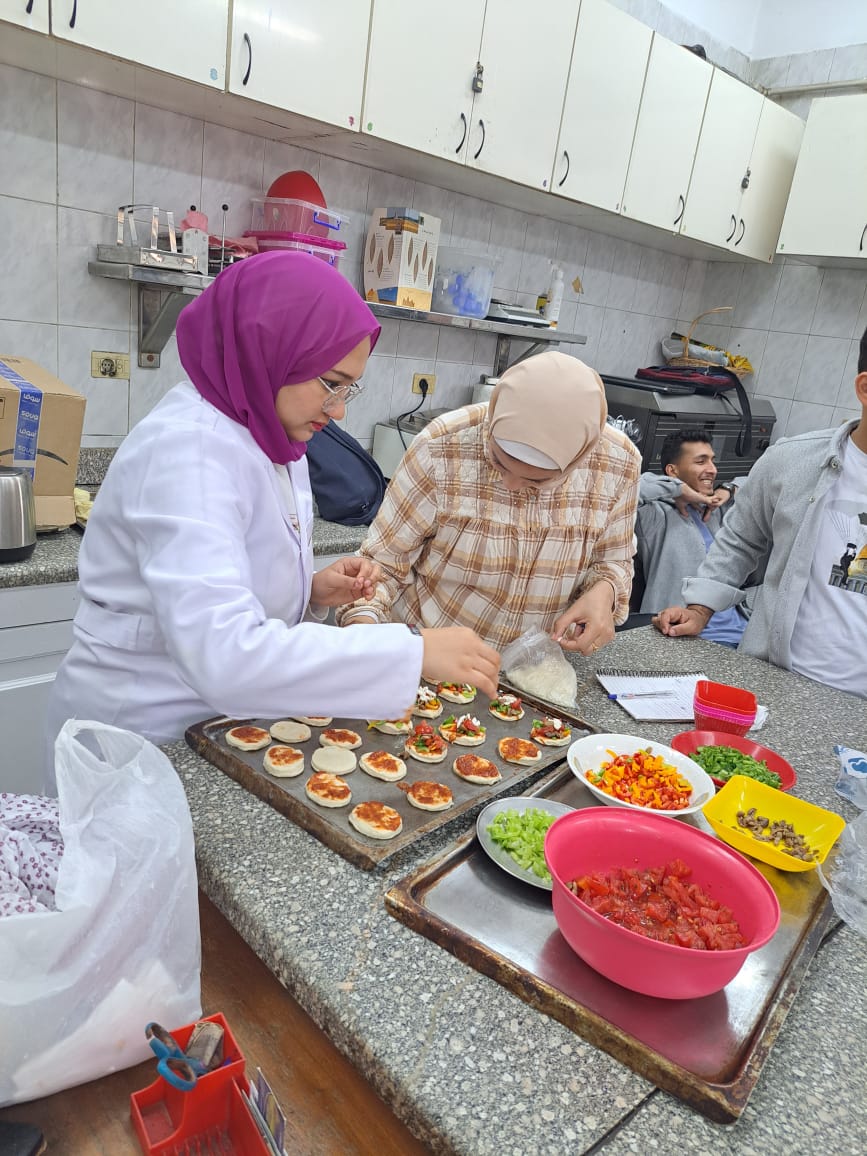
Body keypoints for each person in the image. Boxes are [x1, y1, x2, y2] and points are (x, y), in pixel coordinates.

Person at [44, 253, 499, 785]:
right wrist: (409, 654)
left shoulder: (269, 432)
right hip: (139, 739)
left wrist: (308, 589)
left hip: (213, 730)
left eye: (349, 388)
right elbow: (225, 655)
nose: (339, 410)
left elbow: (225, 577)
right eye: (331, 382)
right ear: (270, 347)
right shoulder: (187, 453)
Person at [335, 351, 641, 655]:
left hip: (538, 670)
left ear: (577, 460)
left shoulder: (618, 464)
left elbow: (614, 561)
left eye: (536, 481)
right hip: (430, 663)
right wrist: (365, 634)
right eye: (498, 462)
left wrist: (605, 592)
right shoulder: (442, 448)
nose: (511, 485)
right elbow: (382, 567)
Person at [654, 325, 867, 698]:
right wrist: (701, 608)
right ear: (864, 388)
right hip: (773, 680)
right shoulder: (794, 460)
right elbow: (741, 537)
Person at [635, 427, 748, 647]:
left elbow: (761, 481)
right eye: (701, 461)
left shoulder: (718, 512)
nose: (712, 469)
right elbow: (629, 487)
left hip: (742, 635)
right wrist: (678, 490)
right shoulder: (655, 515)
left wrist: (728, 488)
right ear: (672, 470)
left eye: (712, 461)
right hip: (688, 636)